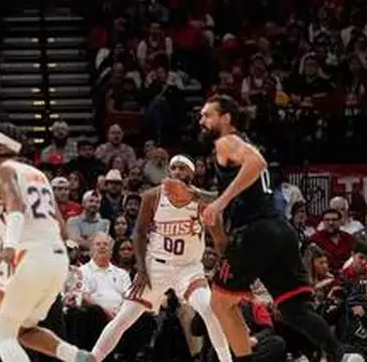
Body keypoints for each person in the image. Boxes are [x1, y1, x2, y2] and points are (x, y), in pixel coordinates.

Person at [186, 96, 344, 362]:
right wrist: (197, 194)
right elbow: (236, 190)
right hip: (279, 229)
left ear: (226, 118)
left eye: (207, 115)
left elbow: (257, 163)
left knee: (220, 303)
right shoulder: (241, 141)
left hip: (256, 233)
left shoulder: (227, 141)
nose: (202, 120)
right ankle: (338, 354)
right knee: (294, 310)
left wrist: (220, 203)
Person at [91, 155, 231, 362]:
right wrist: (142, 269)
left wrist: (228, 269)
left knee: (208, 309)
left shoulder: (201, 203)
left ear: (190, 175)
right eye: (173, 167)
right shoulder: (153, 196)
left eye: (182, 168)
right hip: (156, 266)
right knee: (124, 317)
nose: (175, 171)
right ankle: (91, 358)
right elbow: (138, 233)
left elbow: (220, 240)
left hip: (189, 268)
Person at [0, 122, 92, 362]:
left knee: (1, 334)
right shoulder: (39, 175)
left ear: (1, 146)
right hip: (56, 259)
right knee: (24, 329)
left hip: (26, 256)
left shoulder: (0, 170)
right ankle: (78, 356)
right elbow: (62, 228)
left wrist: (9, 245)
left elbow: (17, 206)